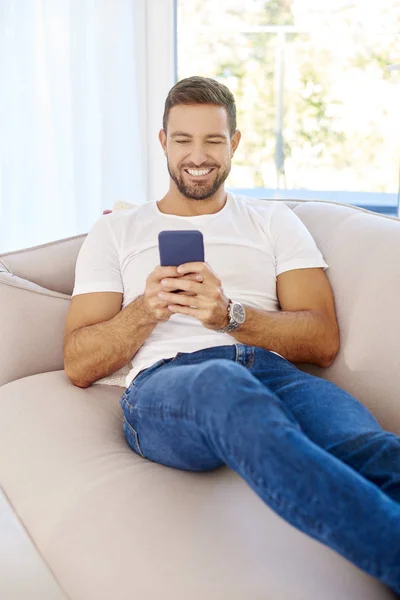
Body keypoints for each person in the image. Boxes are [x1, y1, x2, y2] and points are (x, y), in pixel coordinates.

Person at [64, 76, 400, 595]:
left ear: (235, 142)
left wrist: (230, 316)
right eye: (183, 141)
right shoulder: (116, 232)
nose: (198, 156)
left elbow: (322, 338)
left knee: (374, 449)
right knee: (226, 387)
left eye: (213, 140)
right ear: (163, 143)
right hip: (172, 384)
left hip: (274, 373)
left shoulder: (273, 222)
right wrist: (144, 312)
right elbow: (78, 362)